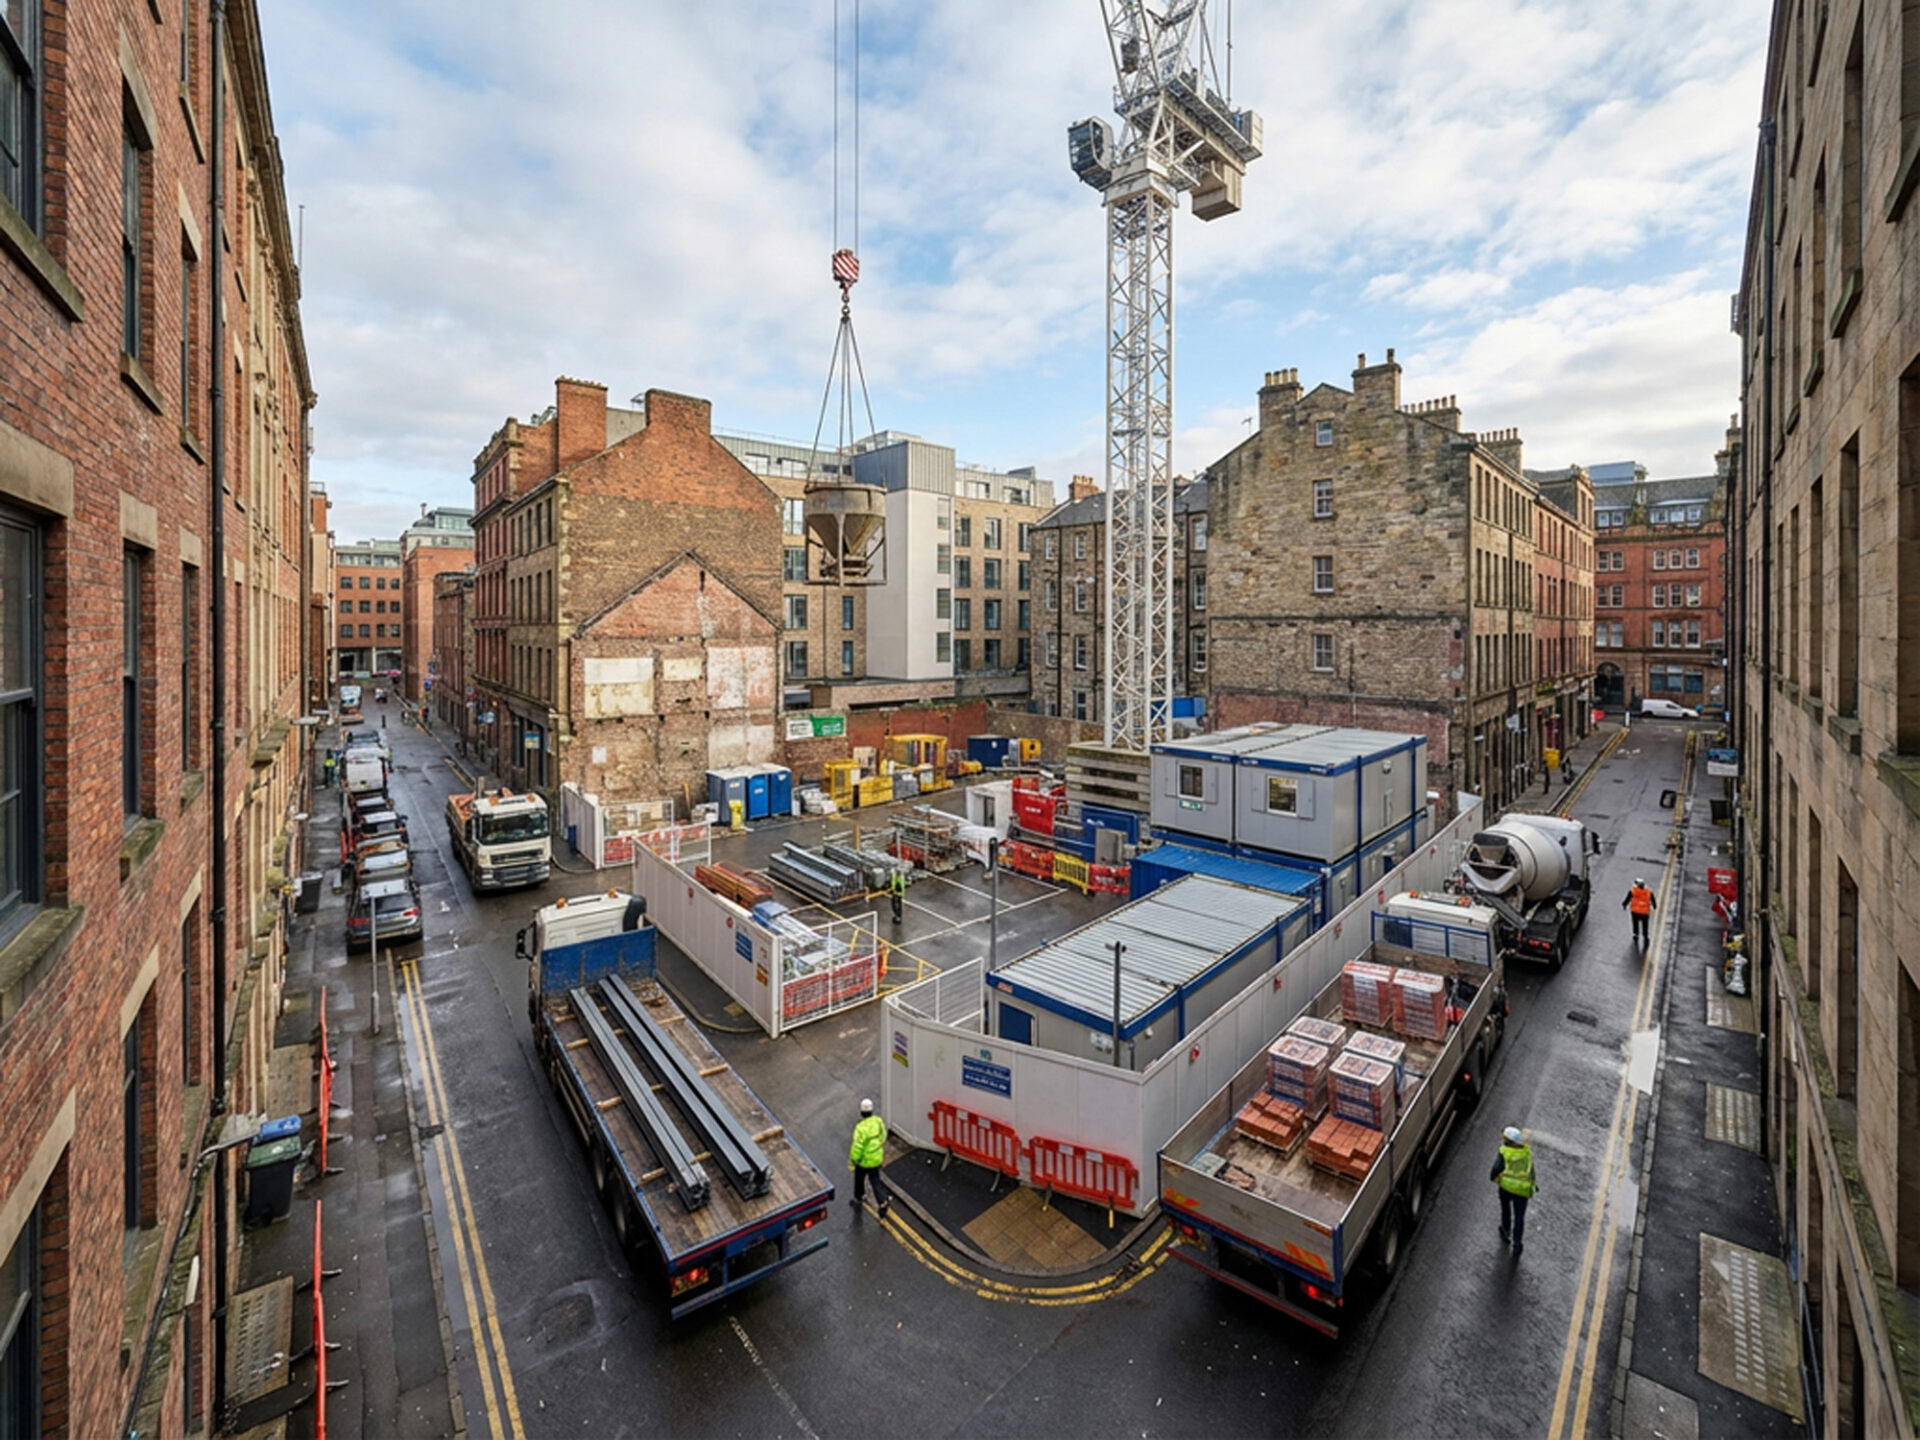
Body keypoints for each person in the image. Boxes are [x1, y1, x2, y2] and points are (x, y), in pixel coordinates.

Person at [1491, 1124, 1537, 1256]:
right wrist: (1533, 1185)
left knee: (1506, 1208)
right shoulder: (1527, 1152)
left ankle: (1506, 1231)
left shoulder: (1504, 1151)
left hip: (1506, 1187)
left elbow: (1496, 1168)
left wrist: (1494, 1178)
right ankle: (1517, 1244)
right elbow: (1531, 1170)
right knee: (1519, 1218)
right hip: (1522, 1190)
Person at [848, 1098, 889, 1218]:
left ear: (861, 1112)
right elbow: (883, 1136)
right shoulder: (878, 1121)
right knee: (875, 1181)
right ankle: (882, 1202)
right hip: (876, 1159)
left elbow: (857, 1148)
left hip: (864, 1161)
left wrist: (853, 1161)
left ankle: (858, 1197)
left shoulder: (860, 1128)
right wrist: (877, 1147)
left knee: (859, 1178)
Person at [1622, 877, 1656, 946]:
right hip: (1644, 912)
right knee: (1645, 925)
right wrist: (1654, 906)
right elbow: (1653, 900)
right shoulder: (1648, 892)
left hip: (1635, 911)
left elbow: (1627, 899)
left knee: (1635, 923)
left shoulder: (1633, 891)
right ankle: (1645, 937)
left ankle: (1636, 934)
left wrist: (1624, 905)